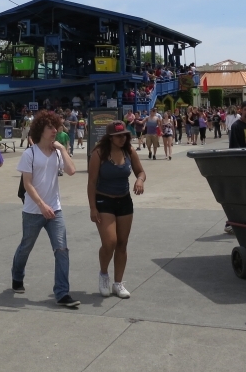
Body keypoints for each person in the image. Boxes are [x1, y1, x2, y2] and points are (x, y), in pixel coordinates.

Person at [11, 110, 80, 308]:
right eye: (50, 127)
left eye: (55, 127)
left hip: (55, 209)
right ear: (41, 129)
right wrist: (41, 205)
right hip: (33, 210)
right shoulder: (30, 154)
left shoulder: (57, 152)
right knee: (26, 246)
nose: (54, 130)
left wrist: (63, 149)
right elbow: (27, 184)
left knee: (61, 249)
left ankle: (62, 293)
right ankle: (17, 275)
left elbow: (72, 171)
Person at [87, 122, 145, 299]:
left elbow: (141, 172)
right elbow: (91, 182)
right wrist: (93, 207)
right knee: (110, 242)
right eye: (118, 136)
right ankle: (104, 274)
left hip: (124, 201)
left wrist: (140, 180)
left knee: (122, 243)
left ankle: (118, 283)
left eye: (125, 135)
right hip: (104, 200)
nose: (122, 139)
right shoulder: (99, 153)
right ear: (110, 137)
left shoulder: (129, 151)